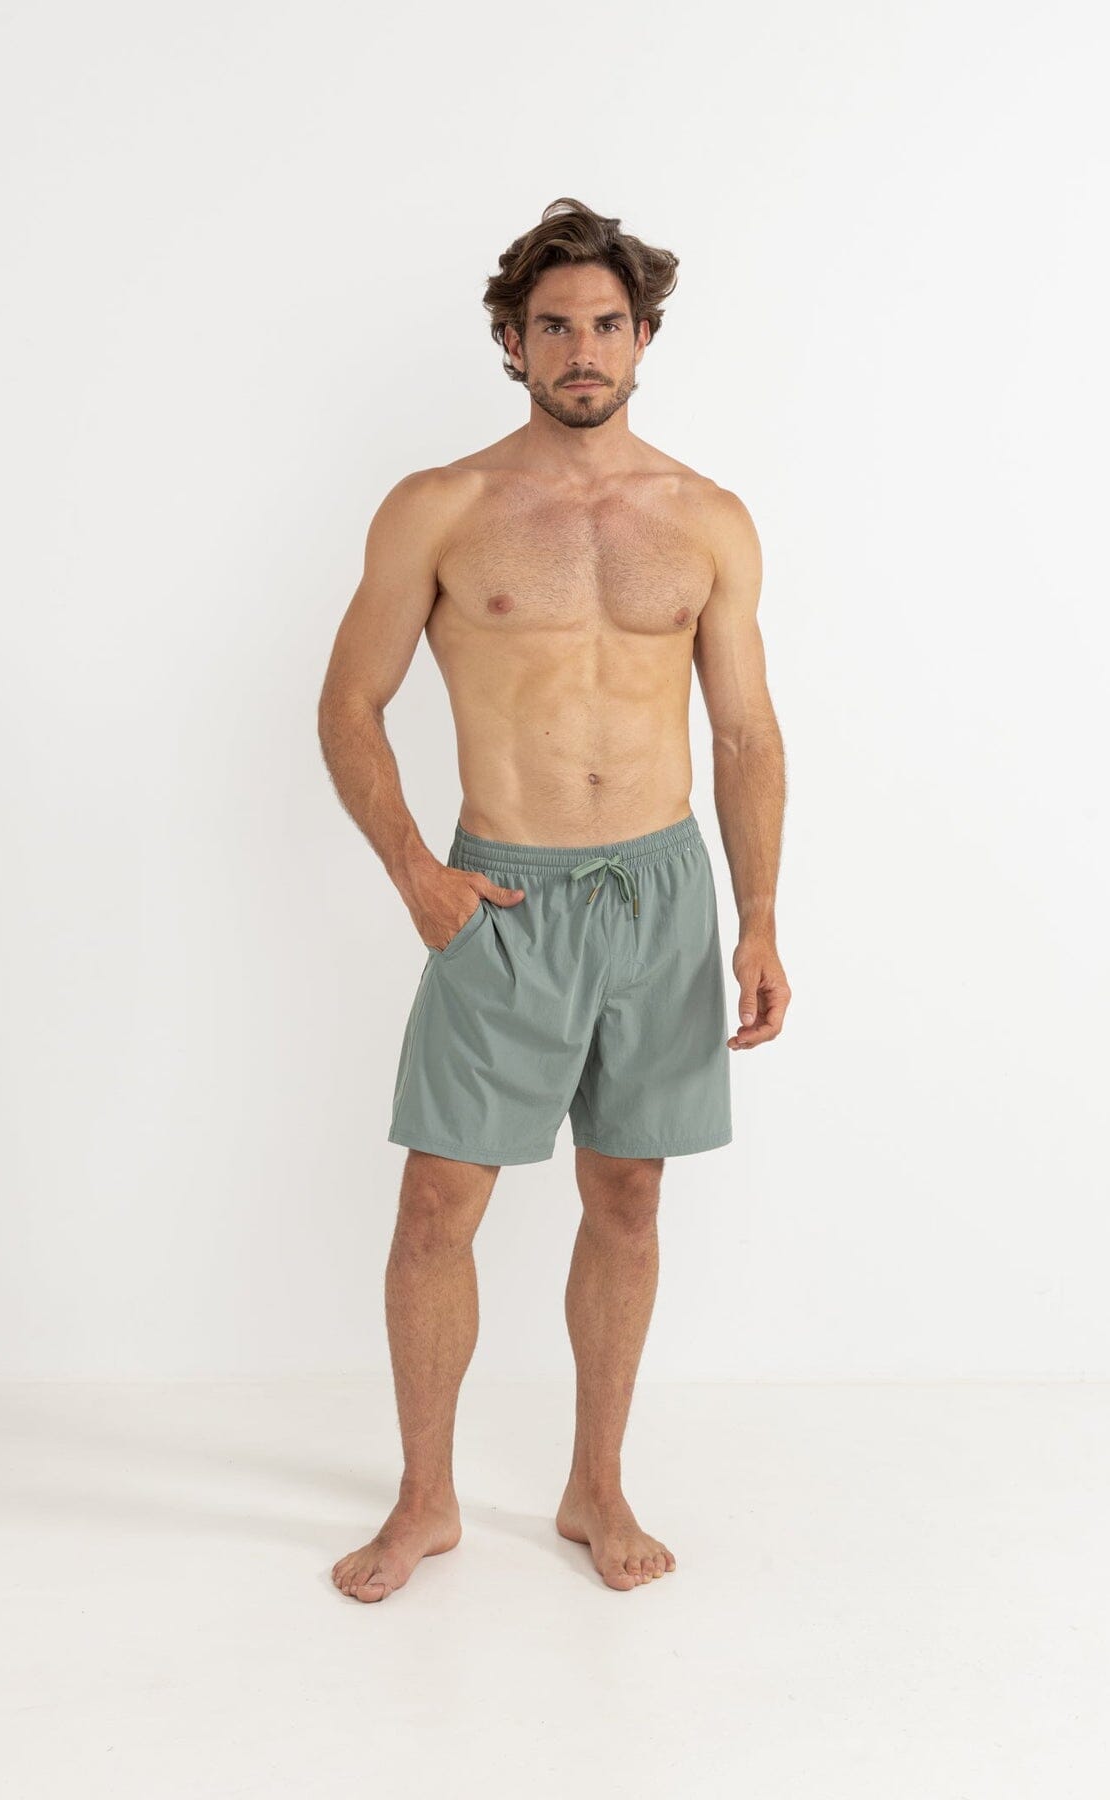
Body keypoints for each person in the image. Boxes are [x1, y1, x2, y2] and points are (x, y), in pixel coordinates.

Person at [317, 197, 789, 1600]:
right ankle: (426, 1501)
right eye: (554, 327)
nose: (583, 349)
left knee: (629, 1196)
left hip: (661, 890)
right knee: (436, 1207)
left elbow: (746, 735)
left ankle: (597, 1484)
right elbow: (349, 703)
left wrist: (760, 919)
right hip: (502, 896)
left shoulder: (708, 519)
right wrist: (418, 872)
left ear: (643, 339)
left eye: (607, 325)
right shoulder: (442, 508)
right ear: (513, 344)